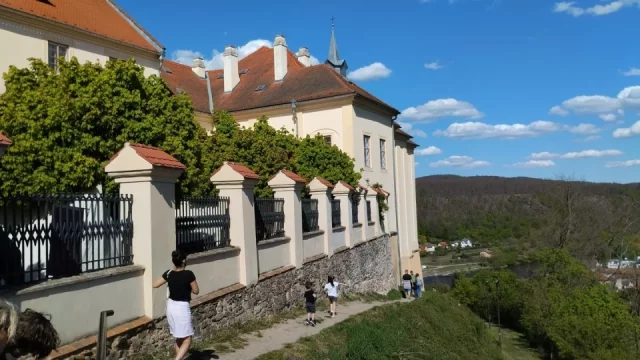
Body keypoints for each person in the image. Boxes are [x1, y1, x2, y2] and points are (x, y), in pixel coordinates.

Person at [153, 250, 199, 360]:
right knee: (187, 339)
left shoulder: (169, 273)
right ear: (183, 261)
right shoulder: (189, 274)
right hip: (182, 308)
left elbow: (155, 285)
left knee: (179, 338)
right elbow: (196, 291)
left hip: (170, 307)